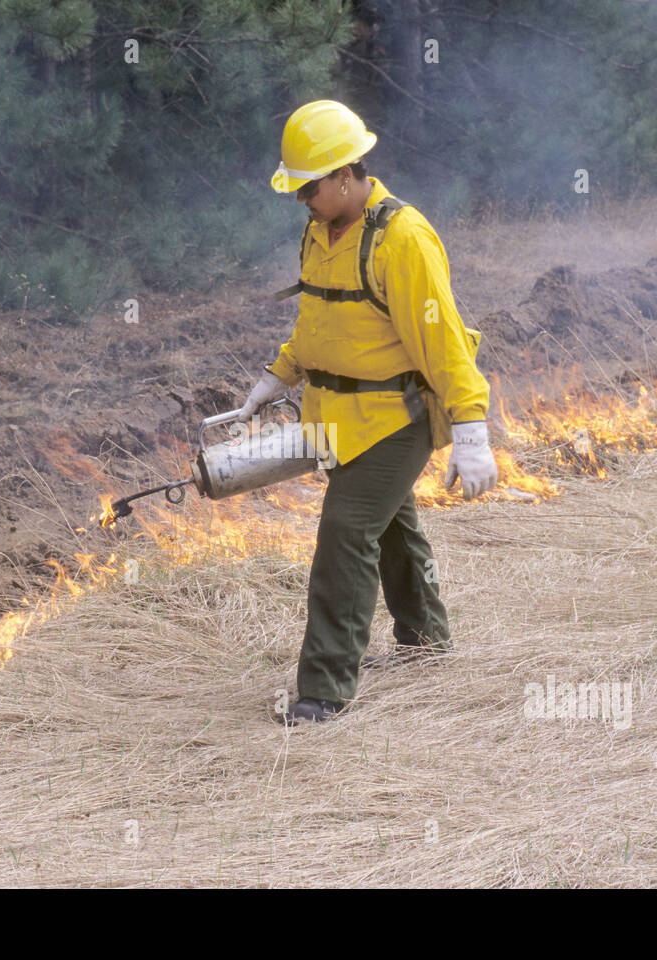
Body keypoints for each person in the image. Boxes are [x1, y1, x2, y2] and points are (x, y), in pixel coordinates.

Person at [238, 99, 499, 725]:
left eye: (310, 189)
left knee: (346, 533)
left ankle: (323, 690)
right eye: (297, 191)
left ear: (345, 176)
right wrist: (279, 374)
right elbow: (321, 317)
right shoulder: (319, 231)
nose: (302, 201)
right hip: (333, 417)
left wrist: (470, 429)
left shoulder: (402, 239)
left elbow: (441, 340)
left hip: (395, 418)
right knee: (391, 529)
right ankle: (426, 642)